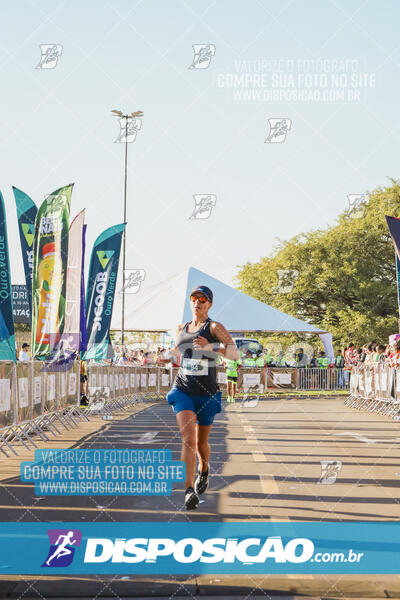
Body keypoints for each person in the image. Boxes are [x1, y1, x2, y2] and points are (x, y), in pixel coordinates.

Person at [161, 285, 239, 510]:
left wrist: (212, 346)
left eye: (203, 299)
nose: (198, 302)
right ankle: (188, 490)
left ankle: (204, 470)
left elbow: (235, 354)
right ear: (190, 302)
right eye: (194, 298)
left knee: (202, 442)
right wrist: (162, 357)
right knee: (188, 439)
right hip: (183, 389)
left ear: (210, 304)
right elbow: (177, 350)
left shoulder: (214, 327)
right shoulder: (181, 327)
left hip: (207, 393)